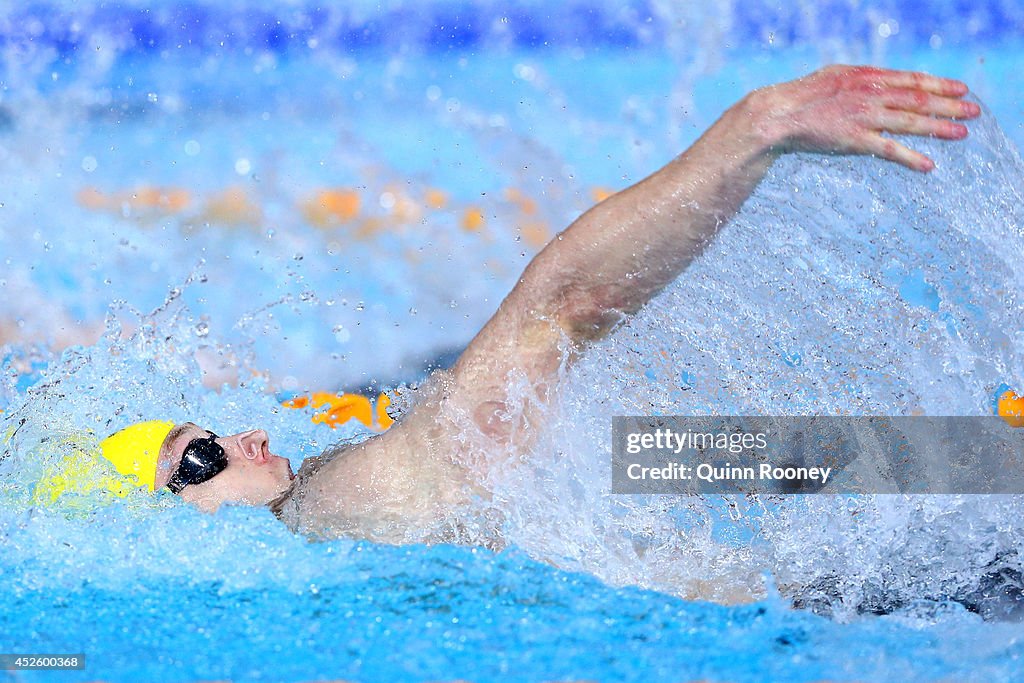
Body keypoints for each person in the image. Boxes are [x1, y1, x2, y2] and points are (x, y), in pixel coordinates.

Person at [51, 65, 982, 544]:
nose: (245, 437)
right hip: (796, 586)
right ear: (179, 515)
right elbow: (563, 308)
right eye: (204, 454)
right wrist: (754, 130)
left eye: (216, 430)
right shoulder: (339, 502)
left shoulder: (330, 498)